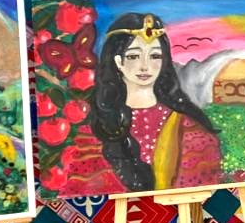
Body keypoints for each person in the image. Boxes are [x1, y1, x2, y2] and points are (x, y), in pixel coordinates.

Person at [91, 12, 221, 191]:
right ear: (118, 61)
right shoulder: (98, 124)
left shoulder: (188, 127)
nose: (145, 66)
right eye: (133, 56)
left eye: (155, 56)